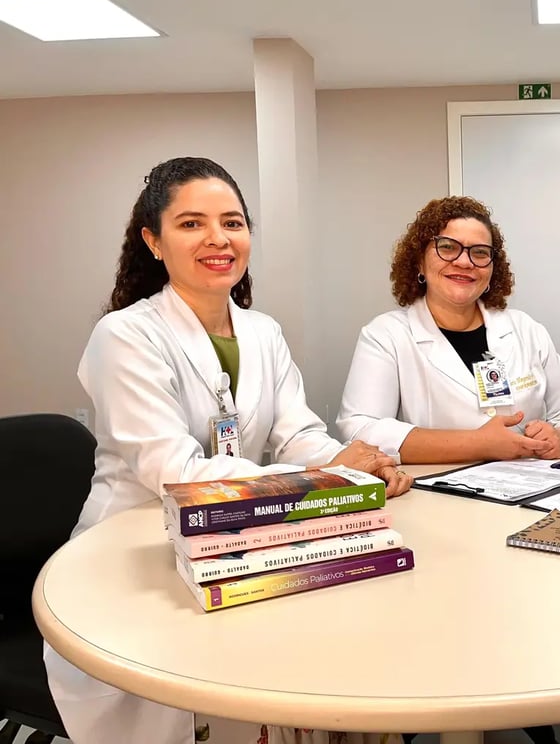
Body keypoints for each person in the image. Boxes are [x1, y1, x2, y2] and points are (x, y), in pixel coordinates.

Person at [43, 157, 412, 744]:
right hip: (135, 554)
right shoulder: (125, 335)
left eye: (233, 222)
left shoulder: (263, 331)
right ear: (153, 241)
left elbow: (297, 433)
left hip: (234, 537)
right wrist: (328, 473)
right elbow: (176, 471)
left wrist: (353, 466)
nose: (219, 239)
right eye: (192, 224)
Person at [337, 195, 560, 465]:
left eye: (480, 252)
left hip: (527, 491)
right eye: (447, 247)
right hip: (442, 494)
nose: (464, 262)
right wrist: (478, 444)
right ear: (419, 262)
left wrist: (559, 439)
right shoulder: (386, 335)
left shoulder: (526, 330)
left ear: (493, 269)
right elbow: (361, 430)